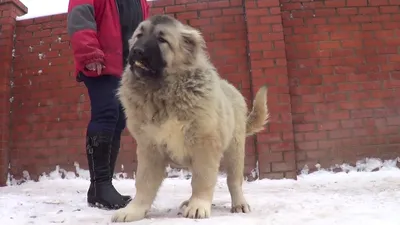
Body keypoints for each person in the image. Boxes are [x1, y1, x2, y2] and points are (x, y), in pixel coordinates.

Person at [66, 0, 149, 210]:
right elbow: (79, 19)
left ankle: (102, 188)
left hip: (126, 69)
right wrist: (89, 53)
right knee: (106, 114)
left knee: (119, 119)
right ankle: (100, 185)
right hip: (100, 63)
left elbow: (144, 31)